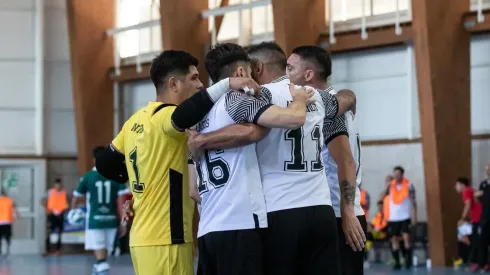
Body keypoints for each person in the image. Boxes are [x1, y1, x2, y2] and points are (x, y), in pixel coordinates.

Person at [187, 42, 357, 275]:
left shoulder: (256, 97)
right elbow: (341, 101)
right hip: (321, 210)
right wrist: (352, 97)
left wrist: (202, 141)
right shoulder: (313, 95)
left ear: (256, 68)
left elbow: (248, 132)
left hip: (279, 209)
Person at [95, 50, 262, 275]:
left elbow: (104, 163)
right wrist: (226, 84)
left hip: (142, 238)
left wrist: (137, 187)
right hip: (167, 238)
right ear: (174, 84)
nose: (201, 84)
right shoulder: (167, 116)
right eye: (194, 78)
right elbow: (182, 117)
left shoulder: (135, 121)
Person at [286, 45, 366, 275]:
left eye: (290, 68)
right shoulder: (332, 103)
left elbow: (346, 162)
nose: (285, 74)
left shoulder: (325, 109)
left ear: (308, 74)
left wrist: (347, 213)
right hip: (340, 211)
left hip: (340, 214)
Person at [70, 146, 130, 275]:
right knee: (105, 248)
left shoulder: (88, 176)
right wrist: (123, 221)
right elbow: (122, 201)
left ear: (93, 160)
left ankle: (101, 267)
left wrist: (72, 211)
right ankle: (99, 266)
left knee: (99, 249)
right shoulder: (116, 176)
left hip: (95, 219)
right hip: (111, 218)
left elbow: (76, 196)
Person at [384, 166, 417, 269]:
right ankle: (397, 262)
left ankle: (408, 260)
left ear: (402, 175)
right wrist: (387, 185)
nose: (396, 176)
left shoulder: (409, 185)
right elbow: (384, 197)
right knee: (394, 239)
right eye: (395, 174)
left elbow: (413, 201)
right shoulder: (390, 186)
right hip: (393, 217)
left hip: (405, 216)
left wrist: (414, 216)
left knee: (406, 237)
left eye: (398, 174)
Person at [454, 177, 482, 269]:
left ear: (462, 185)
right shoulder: (471, 190)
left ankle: (471, 258)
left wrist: (462, 218)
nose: (455, 187)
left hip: (479, 219)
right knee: (463, 234)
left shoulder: (466, 191)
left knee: (461, 230)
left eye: (456, 185)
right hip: (477, 219)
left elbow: (468, 204)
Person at [41, 178, 68, 256]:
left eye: (59, 185)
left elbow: (66, 203)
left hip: (60, 214)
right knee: (49, 231)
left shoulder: (64, 193)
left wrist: (64, 209)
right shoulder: (50, 192)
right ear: (54, 185)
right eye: (56, 184)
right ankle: (47, 249)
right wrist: (47, 208)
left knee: (60, 232)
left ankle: (58, 250)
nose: (58, 186)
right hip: (52, 214)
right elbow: (42, 200)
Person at [473, 164, 490, 272]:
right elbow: (478, 199)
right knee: (482, 241)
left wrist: (484, 193)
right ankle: (481, 263)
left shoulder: (486, 189)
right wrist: (477, 195)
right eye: (487, 169)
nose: (487, 171)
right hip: (485, 217)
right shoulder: (483, 184)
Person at [0, 189, 19, 257]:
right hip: (7, 221)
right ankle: (7, 249)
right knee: (7, 236)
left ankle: (1, 251)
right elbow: (14, 208)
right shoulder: (9, 200)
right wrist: (17, 216)